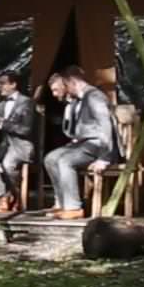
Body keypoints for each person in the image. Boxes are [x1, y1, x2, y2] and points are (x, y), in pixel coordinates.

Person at [43, 65, 115, 219]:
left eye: (66, 85)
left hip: (97, 145)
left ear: (71, 82)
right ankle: (61, 203)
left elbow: (105, 126)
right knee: (50, 158)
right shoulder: (78, 99)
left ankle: (73, 207)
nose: (66, 90)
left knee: (65, 160)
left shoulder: (94, 96)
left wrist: (104, 158)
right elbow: (71, 128)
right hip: (83, 144)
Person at [0, 71, 36, 214]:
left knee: (8, 164)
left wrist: (3, 123)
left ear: (13, 84)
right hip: (5, 145)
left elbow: (26, 130)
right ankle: (3, 195)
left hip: (21, 145)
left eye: (3, 83)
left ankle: (16, 196)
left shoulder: (26, 102)